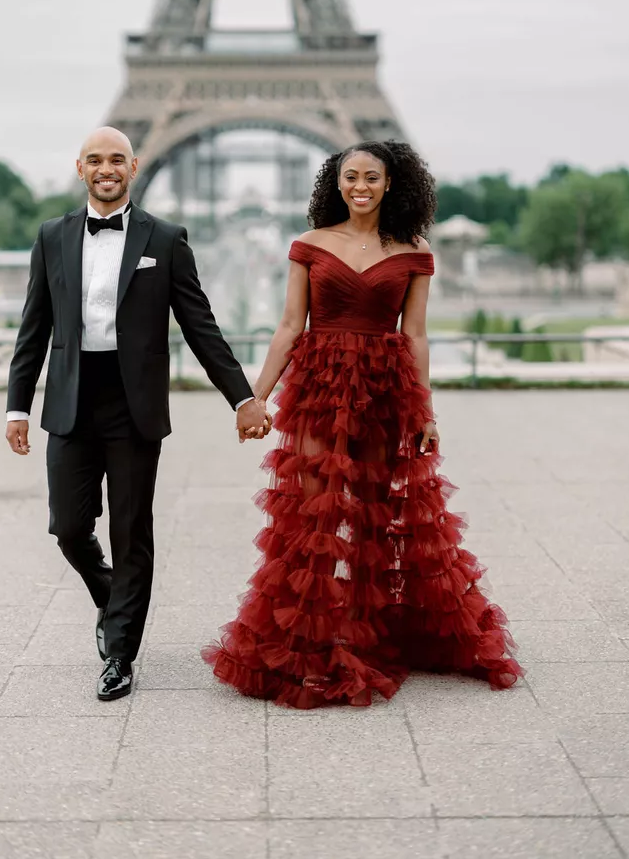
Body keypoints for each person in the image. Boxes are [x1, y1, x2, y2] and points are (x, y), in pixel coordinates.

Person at [202, 140, 523, 708]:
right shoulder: (310, 244)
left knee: (372, 519)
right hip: (320, 386)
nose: (360, 187)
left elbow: (416, 335)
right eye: (350, 176)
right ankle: (308, 642)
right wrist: (253, 399)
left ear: (390, 183)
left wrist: (425, 413)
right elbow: (288, 328)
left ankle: (363, 637)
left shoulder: (414, 251)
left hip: (382, 390)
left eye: (371, 177)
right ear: (336, 182)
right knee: (315, 514)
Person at [6, 127, 270, 701]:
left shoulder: (167, 238)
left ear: (134, 166)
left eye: (117, 160)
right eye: (96, 160)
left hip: (134, 404)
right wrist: (16, 407)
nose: (107, 168)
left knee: (131, 532)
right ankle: (113, 597)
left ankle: (120, 652)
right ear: (80, 168)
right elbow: (34, 329)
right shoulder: (51, 237)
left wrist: (243, 397)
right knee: (70, 528)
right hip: (71, 398)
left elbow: (200, 327)